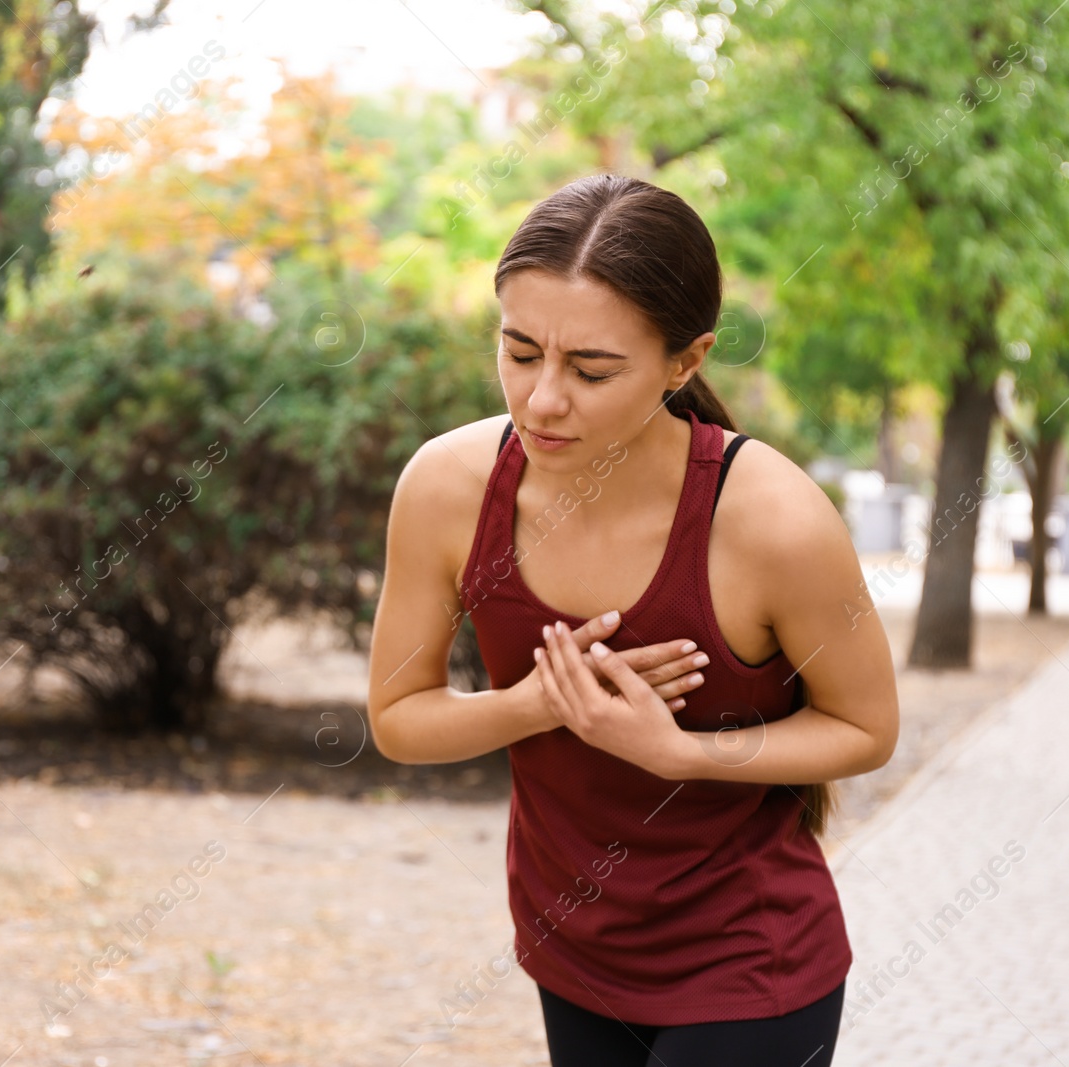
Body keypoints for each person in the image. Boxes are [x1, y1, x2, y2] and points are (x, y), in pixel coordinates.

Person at [367, 173, 899, 1066]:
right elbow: (396, 718)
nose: (541, 398)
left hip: (749, 962)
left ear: (686, 361)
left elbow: (866, 726)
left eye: (591, 369)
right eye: (520, 350)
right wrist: (540, 704)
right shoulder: (446, 489)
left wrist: (682, 753)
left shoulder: (771, 519)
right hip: (571, 947)